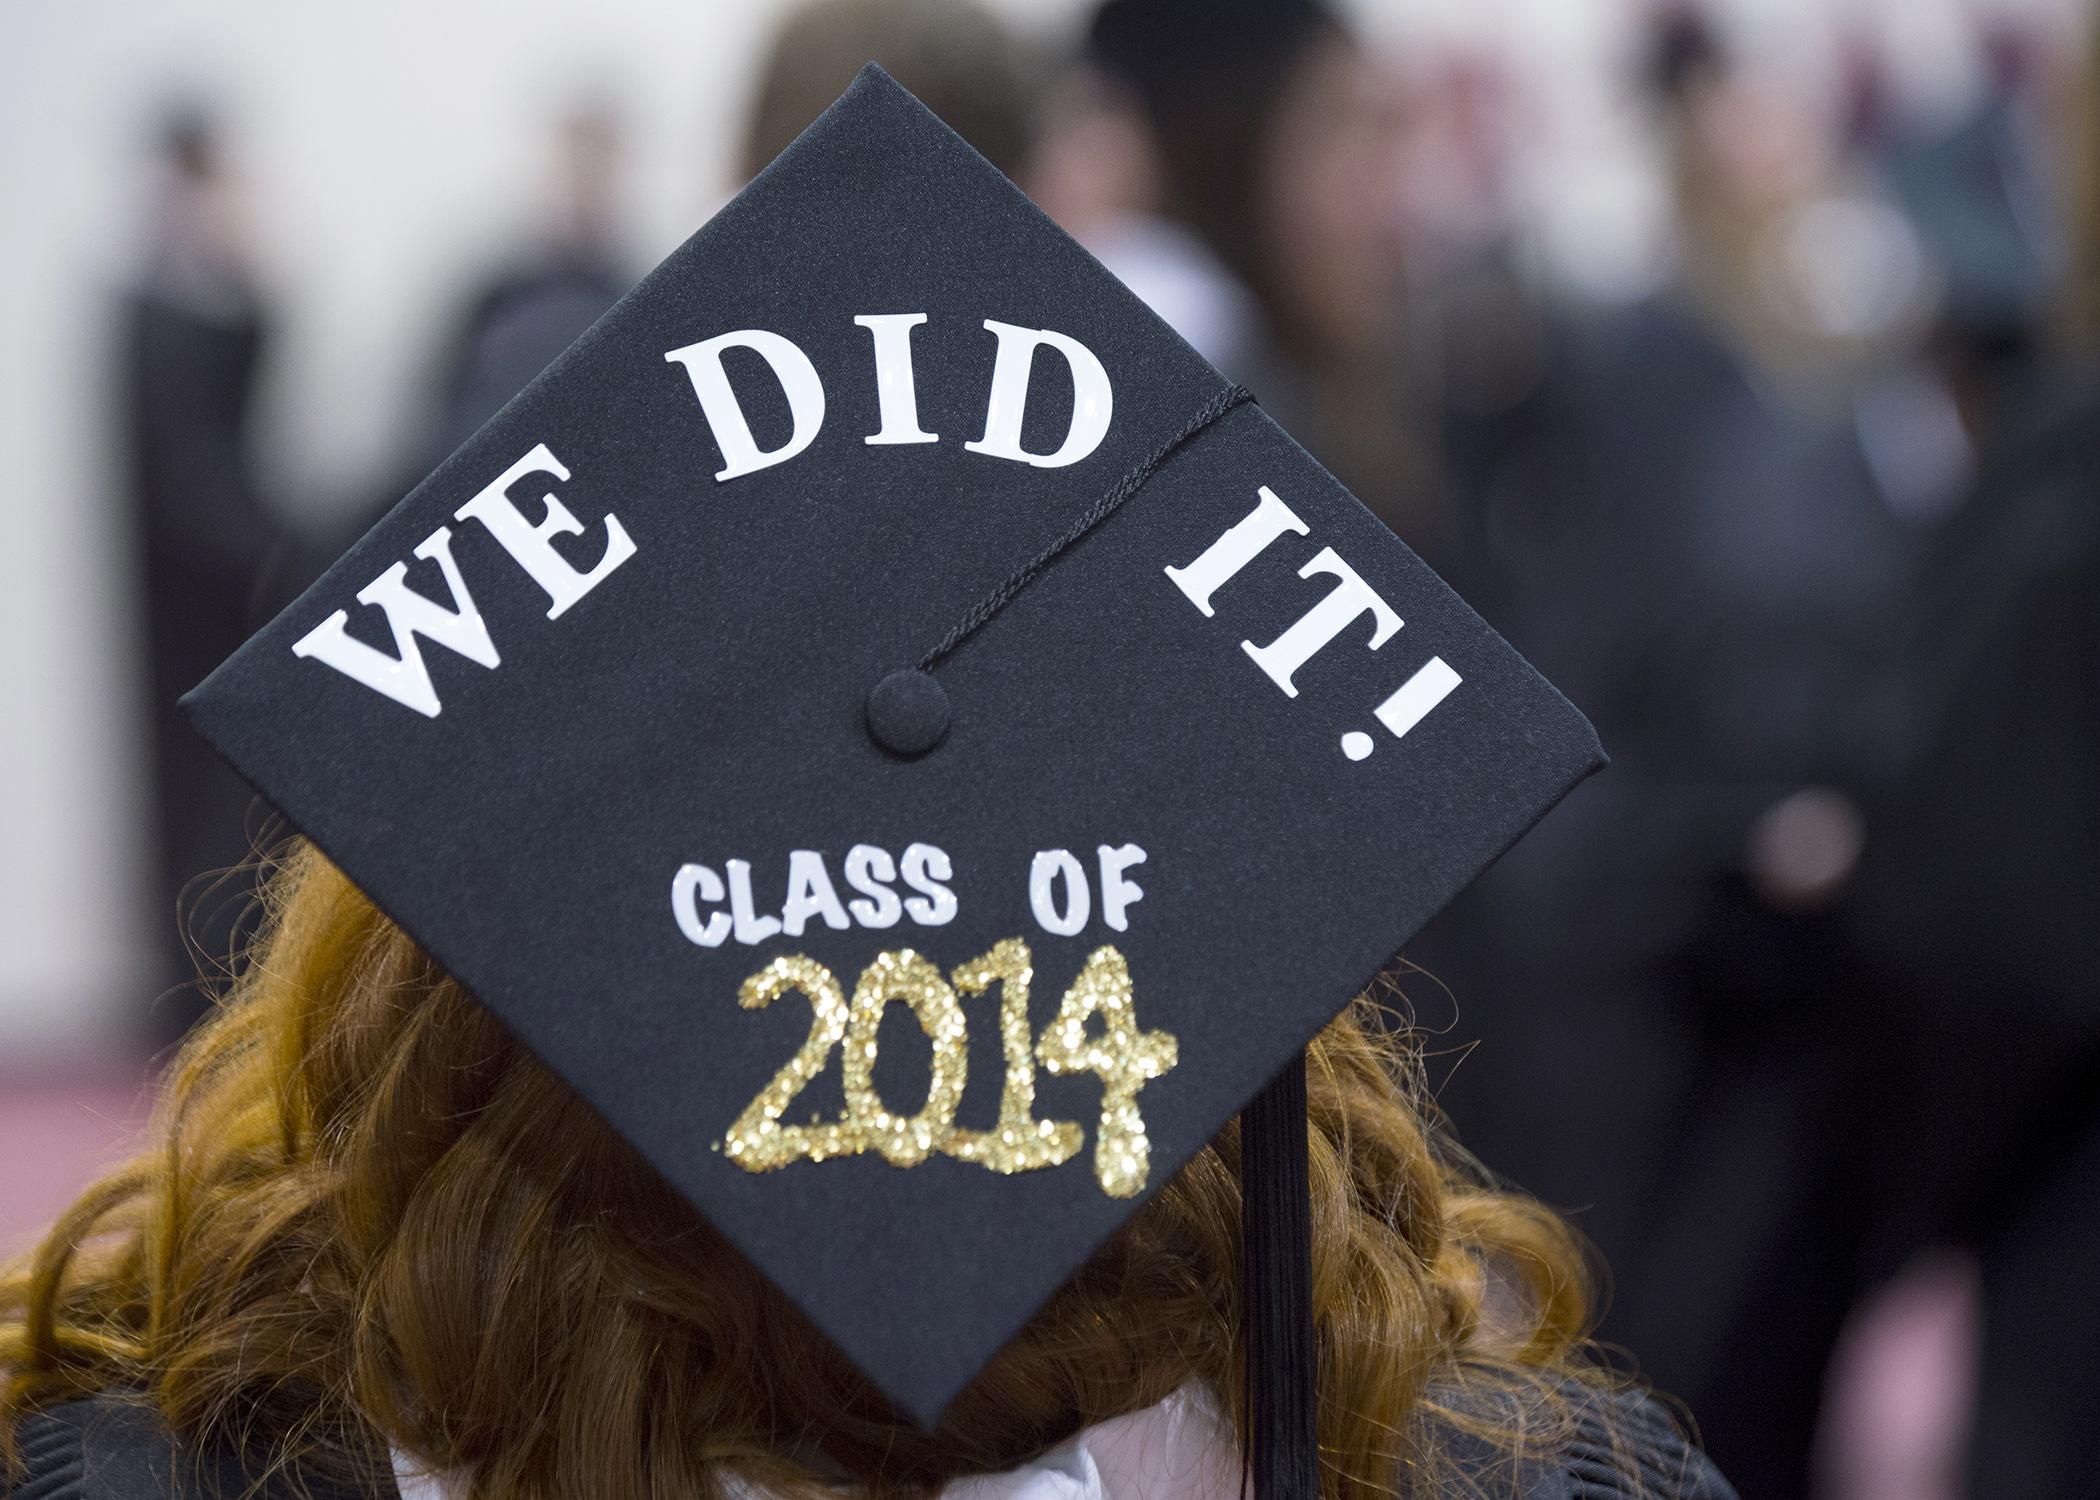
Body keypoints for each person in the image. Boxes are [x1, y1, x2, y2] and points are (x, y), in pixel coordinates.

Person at [117, 104, 285, 1038]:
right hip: (176, 610)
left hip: (231, 604)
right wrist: (268, 548)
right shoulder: (148, 313)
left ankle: (221, 999)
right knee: (180, 812)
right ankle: (183, 1009)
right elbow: (183, 475)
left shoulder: (221, 298)